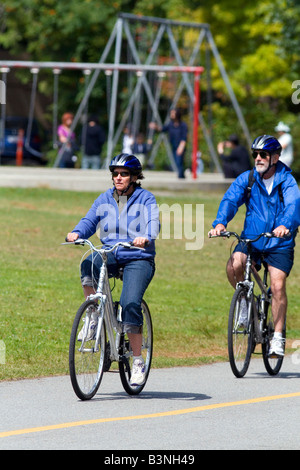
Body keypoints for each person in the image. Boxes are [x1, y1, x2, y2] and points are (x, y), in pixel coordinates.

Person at [66, 153, 160, 385]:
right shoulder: (105, 198)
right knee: (88, 261)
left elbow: (153, 222)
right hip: (111, 254)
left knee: (129, 304)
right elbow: (89, 220)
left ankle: (137, 361)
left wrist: (146, 237)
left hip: (138, 257)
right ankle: (93, 317)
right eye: (115, 174)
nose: (118, 178)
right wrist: (77, 232)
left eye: (124, 174)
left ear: (135, 177)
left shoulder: (146, 199)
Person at [209, 134, 300, 357]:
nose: (258, 158)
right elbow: (230, 200)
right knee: (234, 265)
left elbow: (293, 206)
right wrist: (220, 222)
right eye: (255, 154)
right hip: (252, 238)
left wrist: (284, 225)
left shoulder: (287, 181)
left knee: (277, 286)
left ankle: (277, 337)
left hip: (279, 241)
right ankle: (244, 302)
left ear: (275, 157)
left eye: (263, 155)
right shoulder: (248, 179)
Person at [150, 108, 188, 178]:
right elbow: (163, 129)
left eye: (173, 113)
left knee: (179, 161)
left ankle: (181, 176)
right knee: (177, 161)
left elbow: (184, 137)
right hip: (173, 145)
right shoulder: (171, 124)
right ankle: (182, 175)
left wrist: (181, 147)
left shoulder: (183, 125)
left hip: (180, 145)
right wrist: (156, 127)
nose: (172, 115)